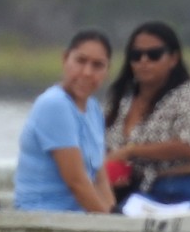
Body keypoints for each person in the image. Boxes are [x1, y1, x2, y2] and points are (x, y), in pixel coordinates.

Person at [104, 21, 190, 209]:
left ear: (173, 58)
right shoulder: (120, 99)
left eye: (154, 55)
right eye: (136, 55)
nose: (144, 61)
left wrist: (132, 151)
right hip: (140, 190)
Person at [15, 29, 116, 213]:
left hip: (78, 215)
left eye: (97, 65)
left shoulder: (93, 109)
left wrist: (115, 216)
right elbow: (77, 183)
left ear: (107, 71)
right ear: (65, 59)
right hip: (45, 214)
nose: (87, 72)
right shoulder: (54, 104)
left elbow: (99, 178)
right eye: (80, 61)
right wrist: (109, 224)